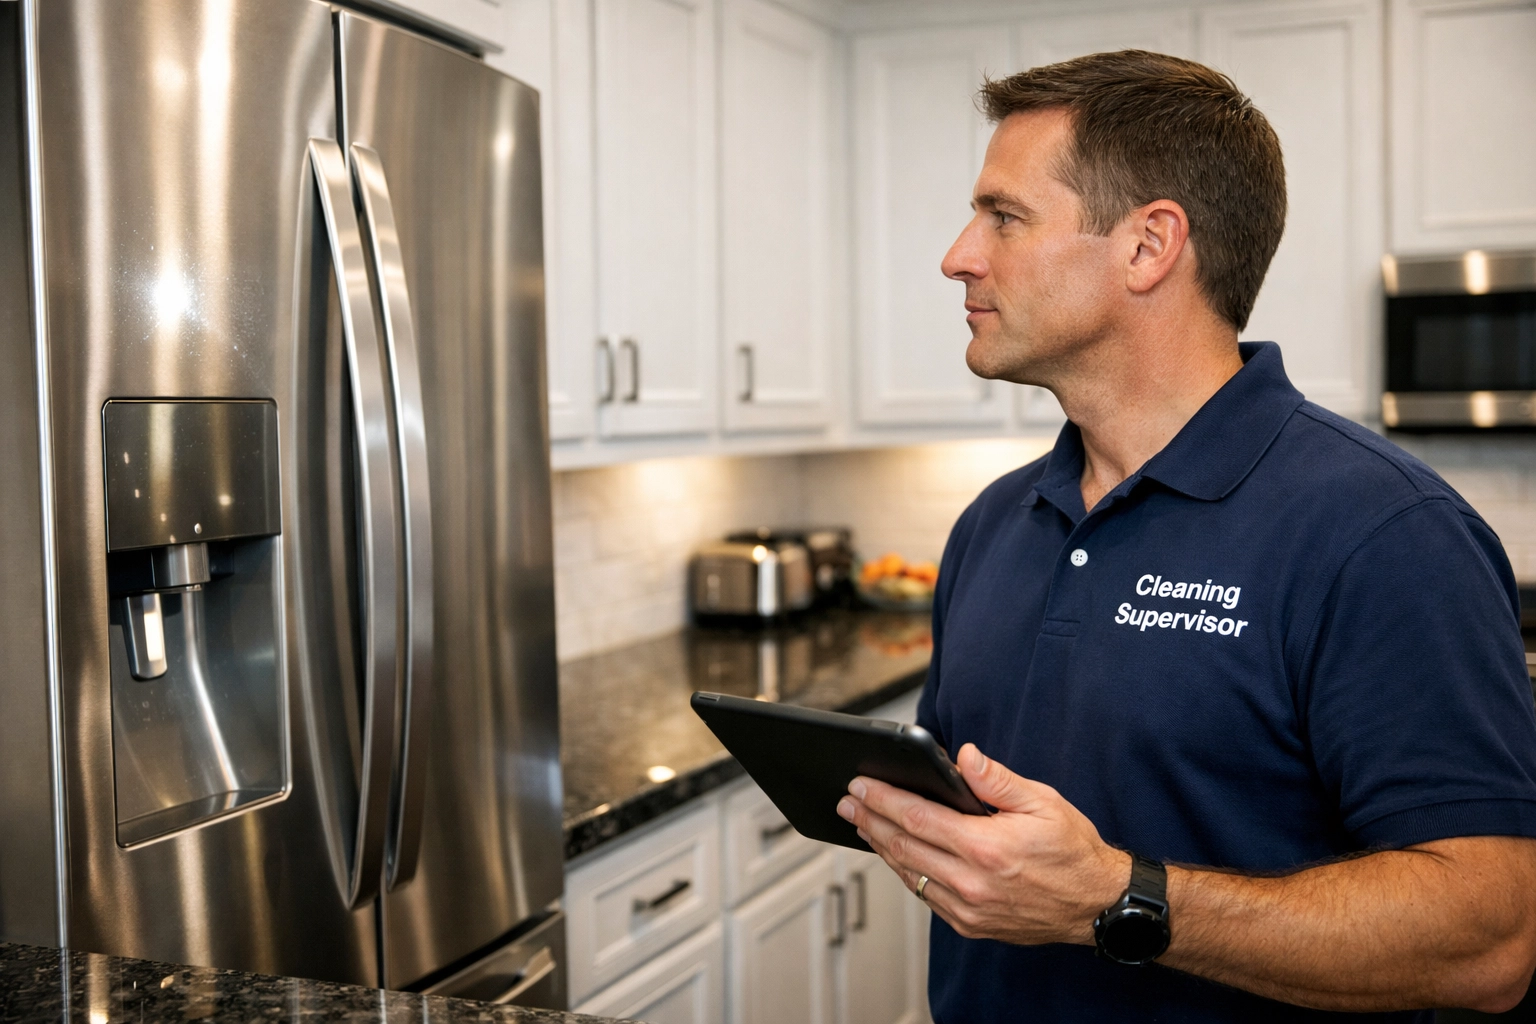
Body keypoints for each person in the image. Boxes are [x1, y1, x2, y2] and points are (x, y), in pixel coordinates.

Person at [834, 50, 1536, 1021]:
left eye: (1004, 216)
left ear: (1147, 246)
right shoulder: (993, 523)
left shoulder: (1385, 534)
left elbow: (1490, 936)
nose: (959, 254)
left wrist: (1117, 896)